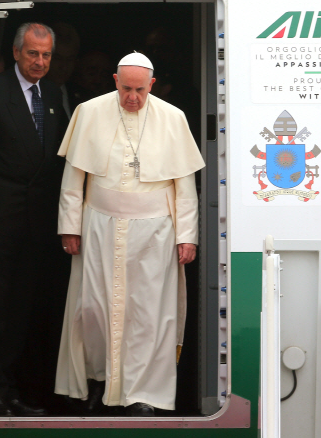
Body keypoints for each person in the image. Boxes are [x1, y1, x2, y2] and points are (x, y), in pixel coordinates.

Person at [54, 52, 205, 417]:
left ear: (151, 85)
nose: (132, 97)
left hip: (155, 234)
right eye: (125, 89)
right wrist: (69, 226)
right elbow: (74, 180)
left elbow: (185, 186)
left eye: (139, 89)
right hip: (99, 227)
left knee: (149, 314)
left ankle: (145, 394)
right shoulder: (89, 112)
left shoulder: (173, 118)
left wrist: (188, 235)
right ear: (114, 81)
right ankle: (100, 383)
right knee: (93, 309)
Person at [0, 22, 70, 416]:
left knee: (29, 308)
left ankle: (19, 390)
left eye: (47, 55)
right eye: (33, 53)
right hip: (2, 220)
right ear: (17, 52)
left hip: (41, 223)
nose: (39, 61)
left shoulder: (55, 94)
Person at [46, 22, 84, 118]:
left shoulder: (82, 96)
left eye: (70, 60)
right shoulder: (27, 95)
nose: (64, 66)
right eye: (57, 59)